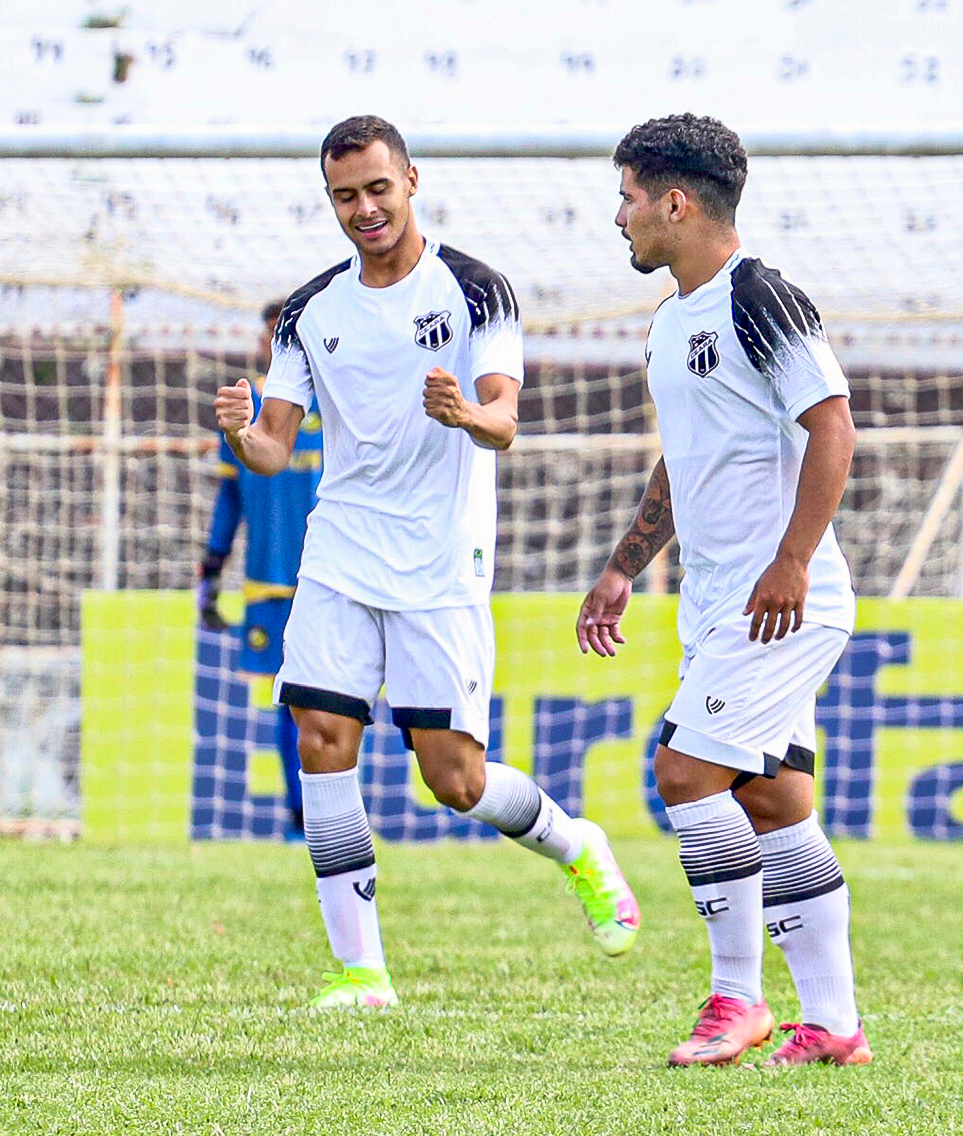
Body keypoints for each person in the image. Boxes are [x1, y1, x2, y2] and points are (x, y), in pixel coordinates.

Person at [215, 114, 640, 1010]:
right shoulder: (307, 311)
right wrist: (244, 429)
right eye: (344, 196)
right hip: (338, 553)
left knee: (454, 779)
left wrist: (464, 417)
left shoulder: (476, 290)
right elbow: (273, 448)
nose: (363, 209)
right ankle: (362, 973)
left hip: (439, 562)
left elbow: (505, 422)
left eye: (377, 188)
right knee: (321, 743)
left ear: (412, 180)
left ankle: (578, 847)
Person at [578, 114, 869, 1066]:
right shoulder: (672, 320)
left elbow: (832, 426)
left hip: (779, 597)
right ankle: (833, 1025)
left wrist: (790, 558)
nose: (617, 216)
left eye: (627, 197)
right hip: (717, 600)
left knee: (684, 773)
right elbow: (688, 456)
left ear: (674, 202)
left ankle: (734, 1000)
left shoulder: (762, 298)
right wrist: (628, 562)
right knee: (777, 802)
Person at [198, 299, 322, 840]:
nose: (278, 346)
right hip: (269, 580)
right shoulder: (246, 406)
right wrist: (211, 572)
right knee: (287, 702)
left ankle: (332, 815)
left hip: (333, 578)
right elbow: (229, 498)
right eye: (272, 336)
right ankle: (301, 819)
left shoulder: (334, 401)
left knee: (335, 705)